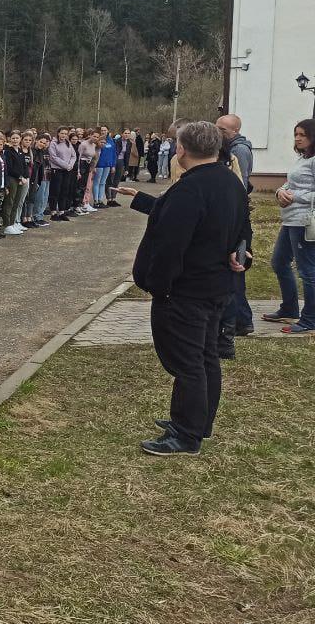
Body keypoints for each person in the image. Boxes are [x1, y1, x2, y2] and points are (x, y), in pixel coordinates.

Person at [127, 121, 248, 456]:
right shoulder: (230, 181)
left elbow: (170, 245)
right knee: (205, 356)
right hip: (215, 286)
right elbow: (242, 227)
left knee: (187, 362)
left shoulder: (190, 188)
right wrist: (243, 251)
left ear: (181, 149)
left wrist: (158, 285)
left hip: (186, 290)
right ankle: (198, 421)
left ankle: (186, 434)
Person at [263, 119, 315, 334]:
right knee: (279, 262)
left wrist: (294, 196)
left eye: (303, 134)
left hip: (305, 222)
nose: (297, 138)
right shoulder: (303, 158)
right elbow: (290, 183)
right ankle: (289, 308)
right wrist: (280, 192)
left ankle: (310, 319)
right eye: (296, 134)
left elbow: (305, 192)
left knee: (308, 271)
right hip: (290, 219)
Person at [216, 114, 255, 337]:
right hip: (236, 216)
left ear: (235, 131)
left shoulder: (238, 151)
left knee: (236, 271)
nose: (218, 132)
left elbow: (240, 184)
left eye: (222, 129)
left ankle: (242, 320)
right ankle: (240, 319)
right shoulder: (231, 148)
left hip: (237, 218)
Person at [46, 127, 77, 222]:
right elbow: (53, 157)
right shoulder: (53, 143)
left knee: (64, 191)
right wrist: (66, 165)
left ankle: (62, 212)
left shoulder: (68, 143)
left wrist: (70, 165)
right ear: (58, 133)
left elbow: (73, 155)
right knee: (55, 191)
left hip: (67, 170)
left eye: (65, 134)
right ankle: (53, 212)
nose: (64, 135)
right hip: (57, 170)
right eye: (62, 133)